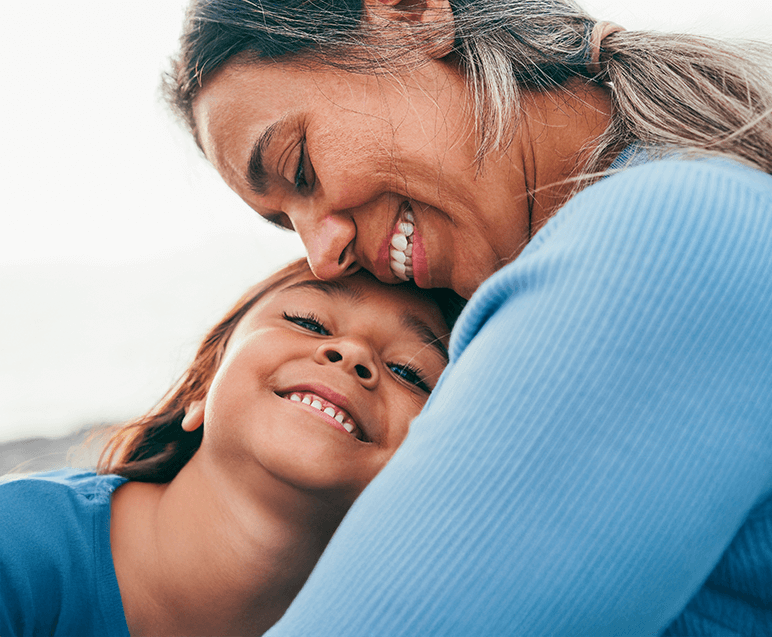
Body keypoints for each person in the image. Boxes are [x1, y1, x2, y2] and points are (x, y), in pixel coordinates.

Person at [164, 1, 772, 634]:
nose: (322, 257)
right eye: (287, 224)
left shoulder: (661, 244)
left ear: (410, 16)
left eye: (301, 168)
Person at [0, 258, 453, 637]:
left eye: (407, 372)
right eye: (308, 322)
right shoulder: (18, 544)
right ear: (203, 384)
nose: (352, 352)